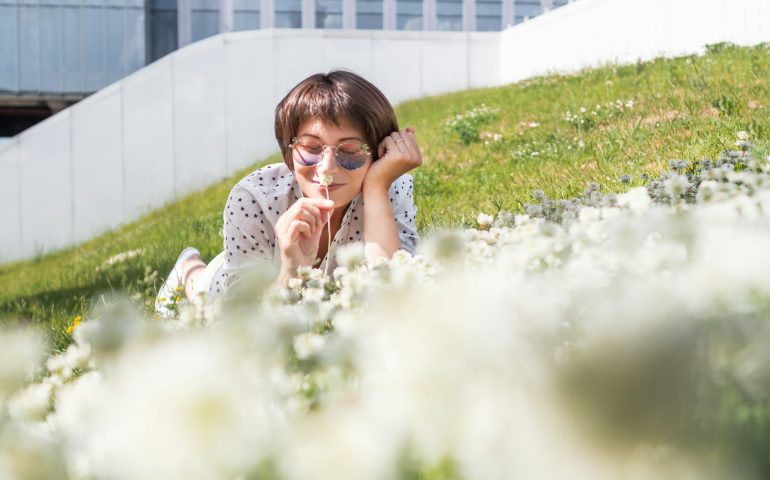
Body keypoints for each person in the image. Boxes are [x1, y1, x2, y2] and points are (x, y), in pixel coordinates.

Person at [155, 70, 422, 315]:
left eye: (350, 151)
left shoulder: (388, 185)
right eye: (311, 148)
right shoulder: (254, 199)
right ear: (289, 150)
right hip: (234, 285)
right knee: (200, 289)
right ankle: (187, 267)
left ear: (379, 153)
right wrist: (290, 270)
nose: (326, 168)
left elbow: (391, 299)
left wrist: (375, 188)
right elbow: (243, 319)